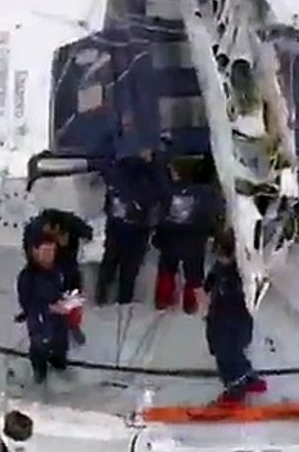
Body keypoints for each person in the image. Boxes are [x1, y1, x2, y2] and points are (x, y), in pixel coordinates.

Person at [96, 148, 168, 305]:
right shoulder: (139, 174)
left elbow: (161, 191)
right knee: (118, 267)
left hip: (130, 227)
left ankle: (111, 300)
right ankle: (111, 300)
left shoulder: (129, 173)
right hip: (128, 227)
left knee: (120, 267)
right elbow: (161, 190)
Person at [203, 232, 266, 405]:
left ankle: (236, 388)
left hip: (233, 322)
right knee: (232, 353)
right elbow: (213, 278)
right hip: (219, 318)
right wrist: (209, 285)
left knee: (228, 357)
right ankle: (249, 378)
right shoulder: (221, 267)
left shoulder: (241, 273)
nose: (219, 258)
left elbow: (246, 293)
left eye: (223, 255)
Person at [154, 161, 219, 313]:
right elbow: (212, 212)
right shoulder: (205, 192)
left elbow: (160, 212)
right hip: (194, 240)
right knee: (194, 274)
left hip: (170, 237)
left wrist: (159, 233)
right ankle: (190, 303)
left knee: (167, 269)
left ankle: (163, 299)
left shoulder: (168, 190)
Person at [22, 208, 92, 343]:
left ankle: (74, 325)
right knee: (49, 301)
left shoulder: (71, 222)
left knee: (73, 298)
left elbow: (88, 233)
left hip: (69, 268)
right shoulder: (35, 230)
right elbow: (28, 248)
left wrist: (80, 238)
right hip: (47, 270)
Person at [17, 233, 76, 383]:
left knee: (60, 355)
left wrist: (68, 301)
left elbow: (60, 292)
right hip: (41, 324)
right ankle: (39, 379)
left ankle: (58, 367)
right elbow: (27, 304)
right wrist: (49, 308)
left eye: (52, 251)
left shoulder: (57, 271)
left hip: (59, 325)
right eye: (45, 251)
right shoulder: (28, 276)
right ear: (35, 251)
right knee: (40, 352)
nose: (49, 255)